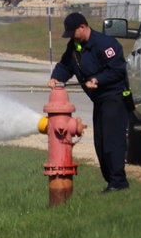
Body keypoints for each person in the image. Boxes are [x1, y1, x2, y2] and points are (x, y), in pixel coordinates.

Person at [47, 12, 130, 193]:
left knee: (112, 141)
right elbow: (65, 65)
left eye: (73, 32)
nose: (71, 37)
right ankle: (112, 182)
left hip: (115, 97)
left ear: (82, 27)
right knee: (100, 142)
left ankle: (119, 182)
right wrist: (55, 77)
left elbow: (118, 70)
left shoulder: (106, 44)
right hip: (100, 100)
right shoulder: (75, 46)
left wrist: (98, 80)